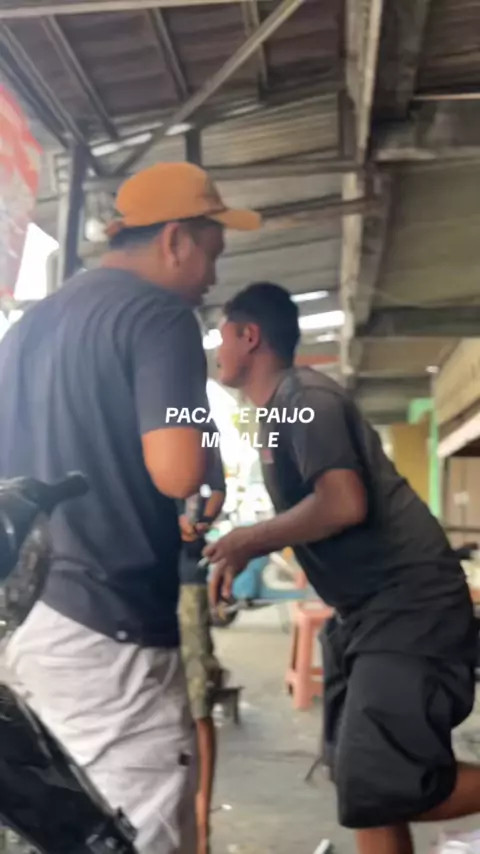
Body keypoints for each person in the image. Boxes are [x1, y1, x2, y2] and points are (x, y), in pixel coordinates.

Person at [0, 162, 260, 854]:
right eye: (210, 254)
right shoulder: (159, 315)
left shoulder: (25, 331)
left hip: (28, 620)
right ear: (175, 240)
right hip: (110, 624)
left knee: (61, 829)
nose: (211, 278)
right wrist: (205, 443)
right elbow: (177, 468)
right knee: (136, 829)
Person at [204, 282, 480, 854]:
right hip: (365, 613)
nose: (217, 350)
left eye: (222, 336)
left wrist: (250, 538)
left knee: (391, 785)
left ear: (249, 336)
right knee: (360, 784)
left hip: (408, 605)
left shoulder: (305, 397)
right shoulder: (277, 413)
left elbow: (343, 502)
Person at [177, 449, 226, 854]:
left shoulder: (195, 425)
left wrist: (198, 524)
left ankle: (200, 824)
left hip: (184, 579)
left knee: (197, 706)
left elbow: (218, 488)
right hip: (129, 585)